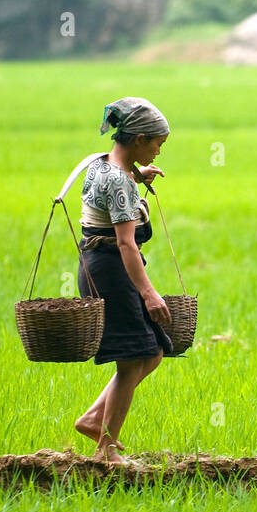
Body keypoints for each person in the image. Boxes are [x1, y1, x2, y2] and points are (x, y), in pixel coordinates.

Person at [72, 96, 174, 464]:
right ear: (139, 138)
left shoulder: (99, 165)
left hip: (98, 265)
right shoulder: (120, 183)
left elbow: (113, 186)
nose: (159, 152)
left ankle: (94, 419)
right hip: (113, 271)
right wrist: (150, 295)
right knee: (134, 358)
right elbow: (128, 245)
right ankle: (106, 447)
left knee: (152, 353)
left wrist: (136, 176)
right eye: (157, 145)